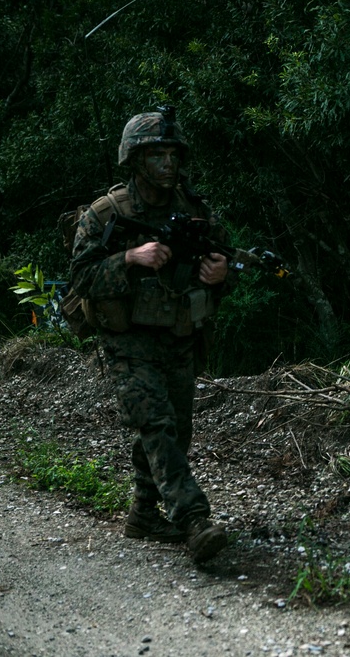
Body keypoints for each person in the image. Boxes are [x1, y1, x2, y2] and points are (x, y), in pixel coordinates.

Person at [70, 107, 232, 563]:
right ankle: (194, 519)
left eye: (172, 155)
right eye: (156, 154)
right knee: (156, 426)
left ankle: (143, 513)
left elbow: (223, 259)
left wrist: (221, 273)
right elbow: (80, 278)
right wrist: (129, 259)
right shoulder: (107, 214)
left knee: (175, 432)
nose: (167, 164)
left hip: (179, 338)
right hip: (128, 343)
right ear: (136, 160)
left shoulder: (195, 211)